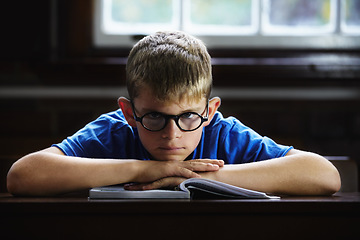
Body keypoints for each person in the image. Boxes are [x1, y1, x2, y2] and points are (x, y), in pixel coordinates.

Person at [7, 31, 340, 196]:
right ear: (128, 111)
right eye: (154, 117)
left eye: (188, 117)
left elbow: (324, 175)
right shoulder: (113, 132)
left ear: (210, 111)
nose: (172, 135)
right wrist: (146, 170)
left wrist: (194, 178)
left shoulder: (223, 134)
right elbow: (22, 176)